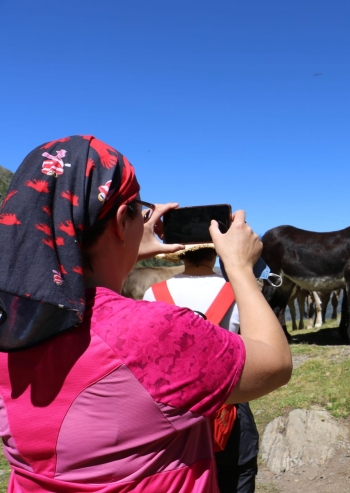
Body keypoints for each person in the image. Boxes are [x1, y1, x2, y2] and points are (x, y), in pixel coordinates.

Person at [0, 135, 292, 492]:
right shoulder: (152, 333)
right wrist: (241, 268)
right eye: (140, 210)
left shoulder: (11, 331)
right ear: (123, 219)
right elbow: (275, 363)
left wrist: (124, 245)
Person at [143, 245, 260, 492]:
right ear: (216, 252)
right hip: (228, 405)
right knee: (236, 474)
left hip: (174, 411)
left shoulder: (154, 293)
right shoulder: (238, 292)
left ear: (180, 254)